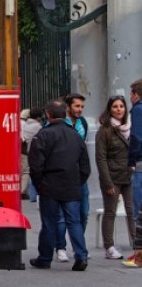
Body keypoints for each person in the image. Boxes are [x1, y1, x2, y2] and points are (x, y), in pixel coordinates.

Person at [28, 98, 90, 272]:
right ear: (65, 113)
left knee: (49, 223)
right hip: (71, 185)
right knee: (74, 222)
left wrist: (40, 185)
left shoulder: (42, 135)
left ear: (48, 115)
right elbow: (85, 167)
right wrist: (78, 182)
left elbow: (35, 166)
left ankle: (45, 257)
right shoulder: (76, 136)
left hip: (49, 186)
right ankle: (81, 256)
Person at [95, 95, 136, 259]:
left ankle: (137, 243)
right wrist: (107, 182)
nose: (119, 109)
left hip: (129, 175)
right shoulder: (104, 130)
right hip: (112, 176)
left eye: (121, 106)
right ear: (109, 109)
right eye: (115, 107)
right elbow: (100, 158)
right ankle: (109, 247)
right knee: (110, 212)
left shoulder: (130, 127)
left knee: (132, 211)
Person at [53, 93, 89, 262]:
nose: (79, 110)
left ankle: (79, 247)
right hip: (62, 176)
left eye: (82, 106)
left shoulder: (82, 123)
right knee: (61, 216)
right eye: (77, 106)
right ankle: (60, 247)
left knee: (83, 213)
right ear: (68, 107)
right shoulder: (60, 123)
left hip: (79, 175)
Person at [21, 108, 44, 201]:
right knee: (29, 172)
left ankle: (30, 194)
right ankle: (26, 193)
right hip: (31, 151)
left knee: (25, 171)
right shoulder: (37, 126)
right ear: (38, 117)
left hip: (23, 150)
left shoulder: (25, 124)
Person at [129, 80, 142, 227]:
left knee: (138, 212)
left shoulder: (138, 110)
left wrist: (131, 160)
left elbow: (136, 136)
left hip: (140, 163)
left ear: (136, 95)